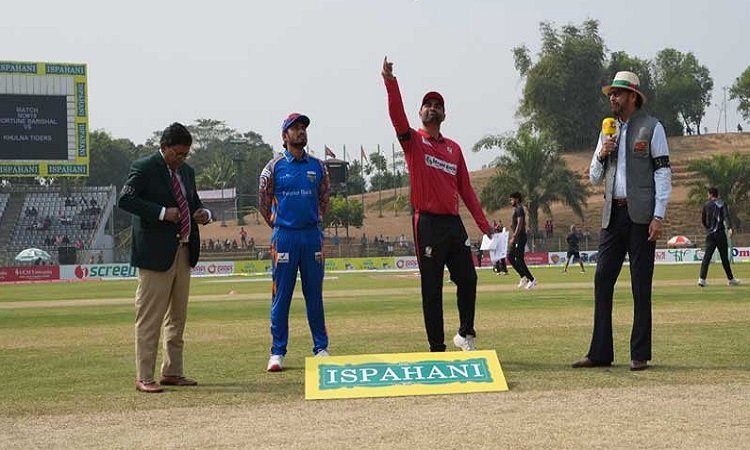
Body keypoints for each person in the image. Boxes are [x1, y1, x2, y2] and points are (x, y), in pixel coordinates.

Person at [382, 57, 493, 352]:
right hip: (427, 222)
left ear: (444, 114)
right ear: (420, 113)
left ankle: (465, 334)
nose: (433, 108)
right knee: (431, 287)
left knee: (468, 278)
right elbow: (396, 117)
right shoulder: (414, 142)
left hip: (452, 223)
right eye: (427, 105)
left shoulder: (454, 149)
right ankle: (437, 347)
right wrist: (391, 83)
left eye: (438, 105)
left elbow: (466, 190)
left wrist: (485, 227)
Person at [572, 71, 672, 371]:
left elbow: (663, 173)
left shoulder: (652, 128)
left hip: (642, 217)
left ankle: (639, 354)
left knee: (641, 285)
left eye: (617, 93)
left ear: (632, 96)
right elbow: (592, 177)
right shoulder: (608, 130)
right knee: (602, 279)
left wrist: (659, 215)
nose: (612, 98)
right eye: (610, 94)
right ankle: (600, 352)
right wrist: (603, 153)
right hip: (612, 215)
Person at [118, 122, 212, 393]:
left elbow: (194, 203)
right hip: (155, 255)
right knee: (150, 318)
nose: (181, 159)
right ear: (164, 148)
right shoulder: (145, 168)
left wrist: (204, 214)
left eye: (185, 155)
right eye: (177, 154)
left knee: (177, 318)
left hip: (183, 251)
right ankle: (144, 376)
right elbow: (125, 200)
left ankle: (172, 371)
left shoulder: (187, 172)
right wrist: (161, 212)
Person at [259, 112, 331, 372]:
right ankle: (277, 352)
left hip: (311, 236)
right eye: (295, 128)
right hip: (285, 237)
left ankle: (321, 348)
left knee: (315, 295)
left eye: (303, 128)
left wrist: (312, 222)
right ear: (284, 136)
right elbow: (263, 203)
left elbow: (324, 200)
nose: (301, 132)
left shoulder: (318, 166)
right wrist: (282, 226)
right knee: (281, 297)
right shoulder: (274, 167)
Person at [698, 187, 740, 287]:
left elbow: (703, 219)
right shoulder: (722, 204)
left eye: (708, 194)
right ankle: (730, 279)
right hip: (720, 234)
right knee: (724, 258)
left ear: (711, 194)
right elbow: (726, 216)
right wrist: (729, 227)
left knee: (707, 257)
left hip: (710, 234)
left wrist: (708, 228)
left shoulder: (706, 205)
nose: (707, 196)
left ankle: (702, 279)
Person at [507, 192, 536, 289]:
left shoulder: (519, 209)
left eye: (512, 199)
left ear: (517, 199)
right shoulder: (516, 209)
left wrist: (514, 236)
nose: (511, 201)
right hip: (517, 237)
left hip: (520, 237)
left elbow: (520, 223)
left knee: (519, 259)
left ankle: (532, 280)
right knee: (510, 256)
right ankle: (523, 276)